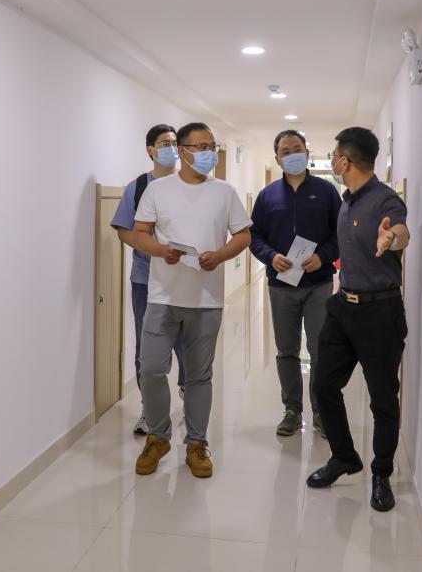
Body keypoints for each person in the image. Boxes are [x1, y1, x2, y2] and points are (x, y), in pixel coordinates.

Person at [129, 122, 251, 478]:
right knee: (151, 368)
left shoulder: (224, 192)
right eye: (202, 146)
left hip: (206, 299)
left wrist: (221, 255)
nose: (209, 152)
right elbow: (139, 233)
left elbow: (243, 235)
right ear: (182, 151)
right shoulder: (158, 190)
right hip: (162, 296)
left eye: (212, 146)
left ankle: (197, 443)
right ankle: (158, 437)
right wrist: (161, 250)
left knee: (199, 375)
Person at [306, 127, 410, 513]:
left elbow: (401, 230)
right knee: (323, 385)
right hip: (342, 307)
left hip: (380, 312)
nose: (332, 160)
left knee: (382, 399)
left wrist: (391, 239)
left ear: (344, 161)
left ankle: (381, 473)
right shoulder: (345, 201)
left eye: (334, 155)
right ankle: (344, 457)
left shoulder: (385, 199)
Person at [250, 130, 341, 438]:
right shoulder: (267, 196)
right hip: (281, 286)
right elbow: (254, 236)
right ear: (277, 159)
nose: (292, 155)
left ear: (307, 152)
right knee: (286, 350)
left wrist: (323, 256)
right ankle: (292, 410)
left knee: (320, 350)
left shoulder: (326, 192)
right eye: (285, 151)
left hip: (318, 283)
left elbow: (340, 233)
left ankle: (321, 411)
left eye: (297, 149)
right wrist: (271, 256)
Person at [110, 124, 187, 436]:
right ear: (150, 150)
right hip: (146, 281)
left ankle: (188, 390)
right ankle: (149, 409)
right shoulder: (139, 187)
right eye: (164, 143)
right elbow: (123, 230)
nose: (171, 148)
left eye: (174, 143)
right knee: (147, 347)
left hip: (186, 278)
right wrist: (154, 250)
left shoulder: (190, 183)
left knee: (186, 343)